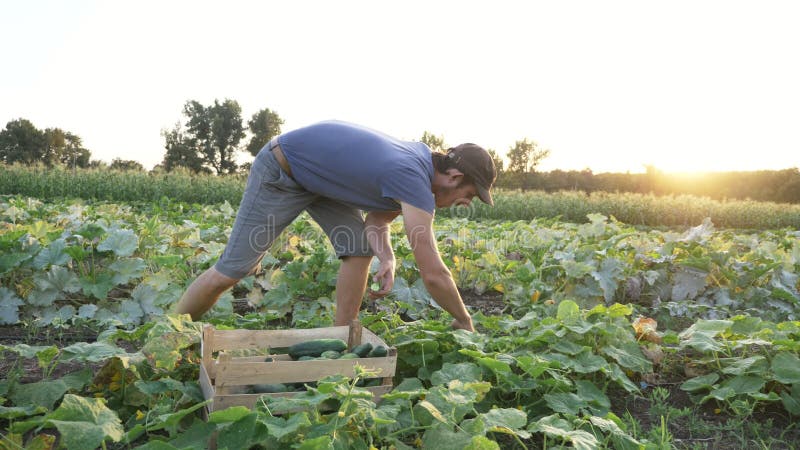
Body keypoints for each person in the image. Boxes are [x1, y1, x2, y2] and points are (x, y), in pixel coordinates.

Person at [174, 120, 496, 332]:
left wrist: (387, 258)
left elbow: (377, 220)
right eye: (470, 195)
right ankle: (170, 333)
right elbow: (434, 273)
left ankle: (342, 337)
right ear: (454, 177)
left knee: (359, 249)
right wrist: (463, 318)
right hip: (283, 171)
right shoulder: (412, 176)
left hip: (320, 181)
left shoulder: (420, 166)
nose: (466, 204)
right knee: (234, 270)